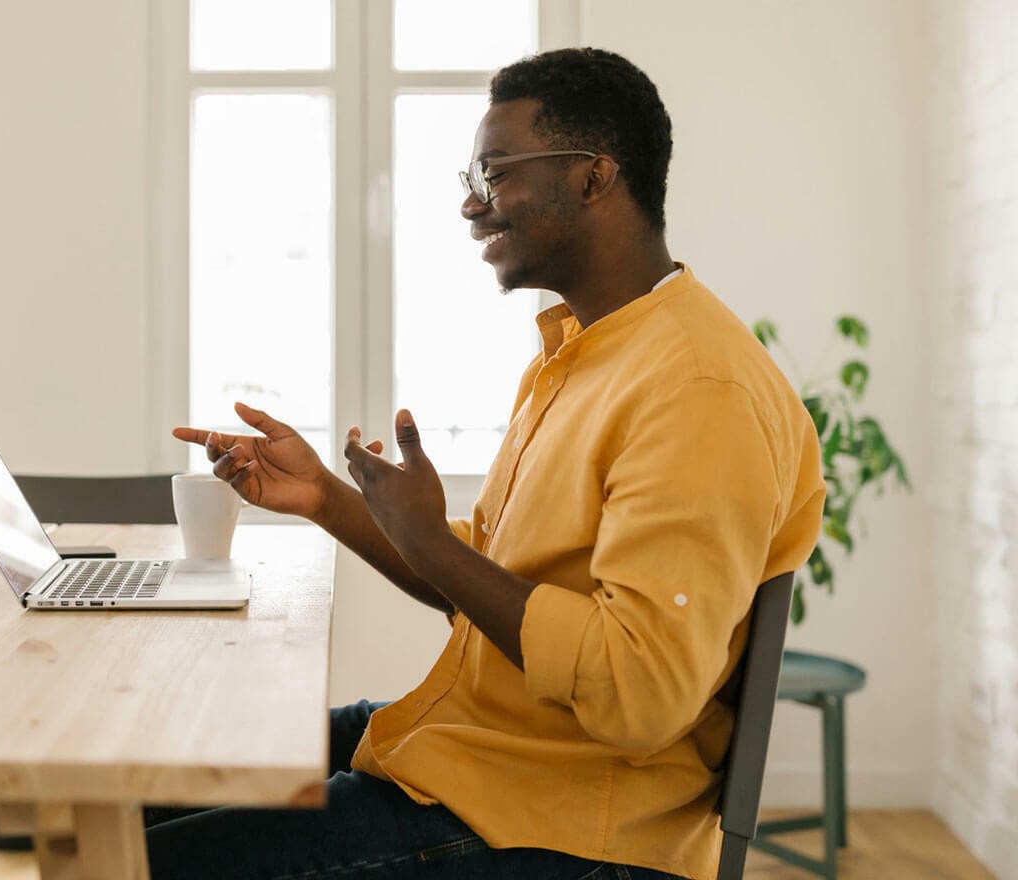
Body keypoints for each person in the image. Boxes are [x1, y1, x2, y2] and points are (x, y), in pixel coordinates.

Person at [158, 47, 824, 880]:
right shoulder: (585, 355)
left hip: (569, 826)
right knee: (145, 781)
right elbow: (483, 583)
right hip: (489, 752)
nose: (473, 206)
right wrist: (326, 498)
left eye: (495, 173)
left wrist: (433, 544)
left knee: (139, 861)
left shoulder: (696, 388)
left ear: (593, 177)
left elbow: (641, 691)